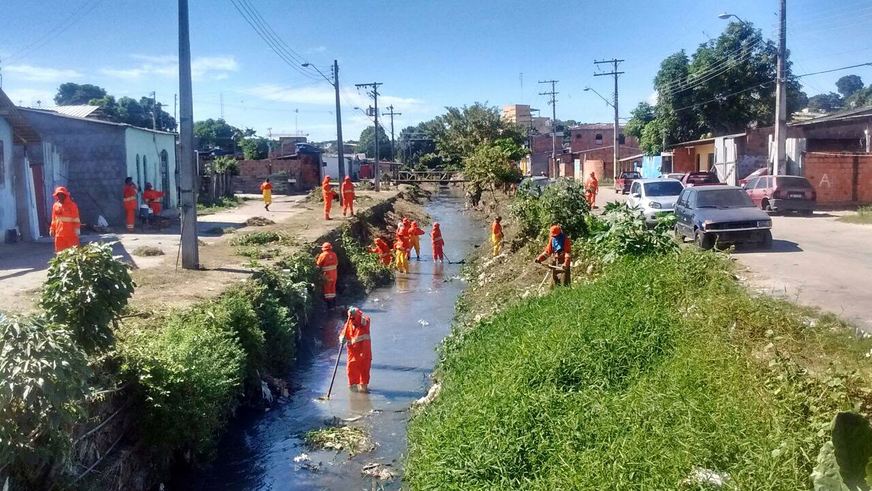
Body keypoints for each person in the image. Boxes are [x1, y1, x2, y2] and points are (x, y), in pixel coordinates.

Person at [340, 306, 372, 393]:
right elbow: (343, 333)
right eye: (351, 318)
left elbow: (363, 321)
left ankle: (363, 393)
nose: (353, 319)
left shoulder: (365, 321)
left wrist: (355, 313)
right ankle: (354, 395)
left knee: (364, 374)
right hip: (353, 354)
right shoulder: (348, 324)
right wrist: (342, 338)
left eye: (354, 317)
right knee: (351, 372)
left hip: (364, 353)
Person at [49, 186, 80, 253]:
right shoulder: (55, 205)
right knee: (60, 253)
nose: (60, 196)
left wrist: (77, 230)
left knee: (72, 253)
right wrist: (52, 229)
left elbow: (76, 218)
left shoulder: (72, 205)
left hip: (71, 234)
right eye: (58, 195)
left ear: (65, 195)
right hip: (59, 235)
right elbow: (54, 218)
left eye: (62, 194)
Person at [315, 242, 338, 308]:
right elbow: (336, 263)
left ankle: (329, 306)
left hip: (327, 275)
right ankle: (334, 304)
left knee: (327, 290)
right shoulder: (334, 254)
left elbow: (318, 265)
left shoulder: (323, 255)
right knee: (333, 288)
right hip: (334, 275)